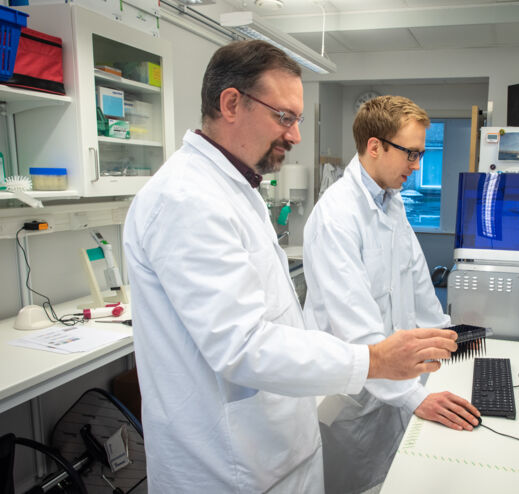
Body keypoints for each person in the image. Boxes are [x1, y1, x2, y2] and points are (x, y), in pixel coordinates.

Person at [123, 41, 459, 493]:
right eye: (285, 117)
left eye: (297, 120)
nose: (295, 135)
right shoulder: (185, 198)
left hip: (279, 448)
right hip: (230, 467)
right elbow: (241, 345)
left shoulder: (238, 189)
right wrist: (374, 359)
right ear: (231, 104)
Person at [302, 95, 480, 494]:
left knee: (393, 481)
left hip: (395, 388)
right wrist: (412, 397)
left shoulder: (391, 203)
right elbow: (357, 330)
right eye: (411, 154)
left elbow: (416, 281)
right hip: (352, 398)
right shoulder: (336, 217)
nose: (417, 166)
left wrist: (446, 339)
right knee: (352, 484)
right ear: (375, 147)